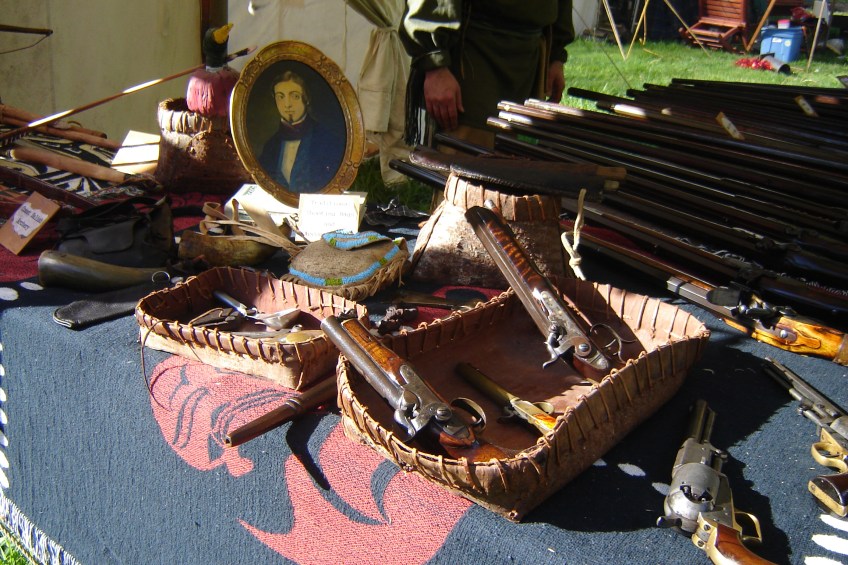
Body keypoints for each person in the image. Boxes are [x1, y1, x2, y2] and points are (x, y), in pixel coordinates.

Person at [400, 0, 574, 148]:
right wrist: (435, 65)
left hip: (529, 56)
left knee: (513, 164)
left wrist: (556, 56)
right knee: (464, 164)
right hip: (475, 52)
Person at [258, 70, 346, 193]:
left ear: (306, 99)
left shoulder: (328, 140)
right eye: (280, 97)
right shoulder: (270, 146)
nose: (287, 104)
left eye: (295, 96)